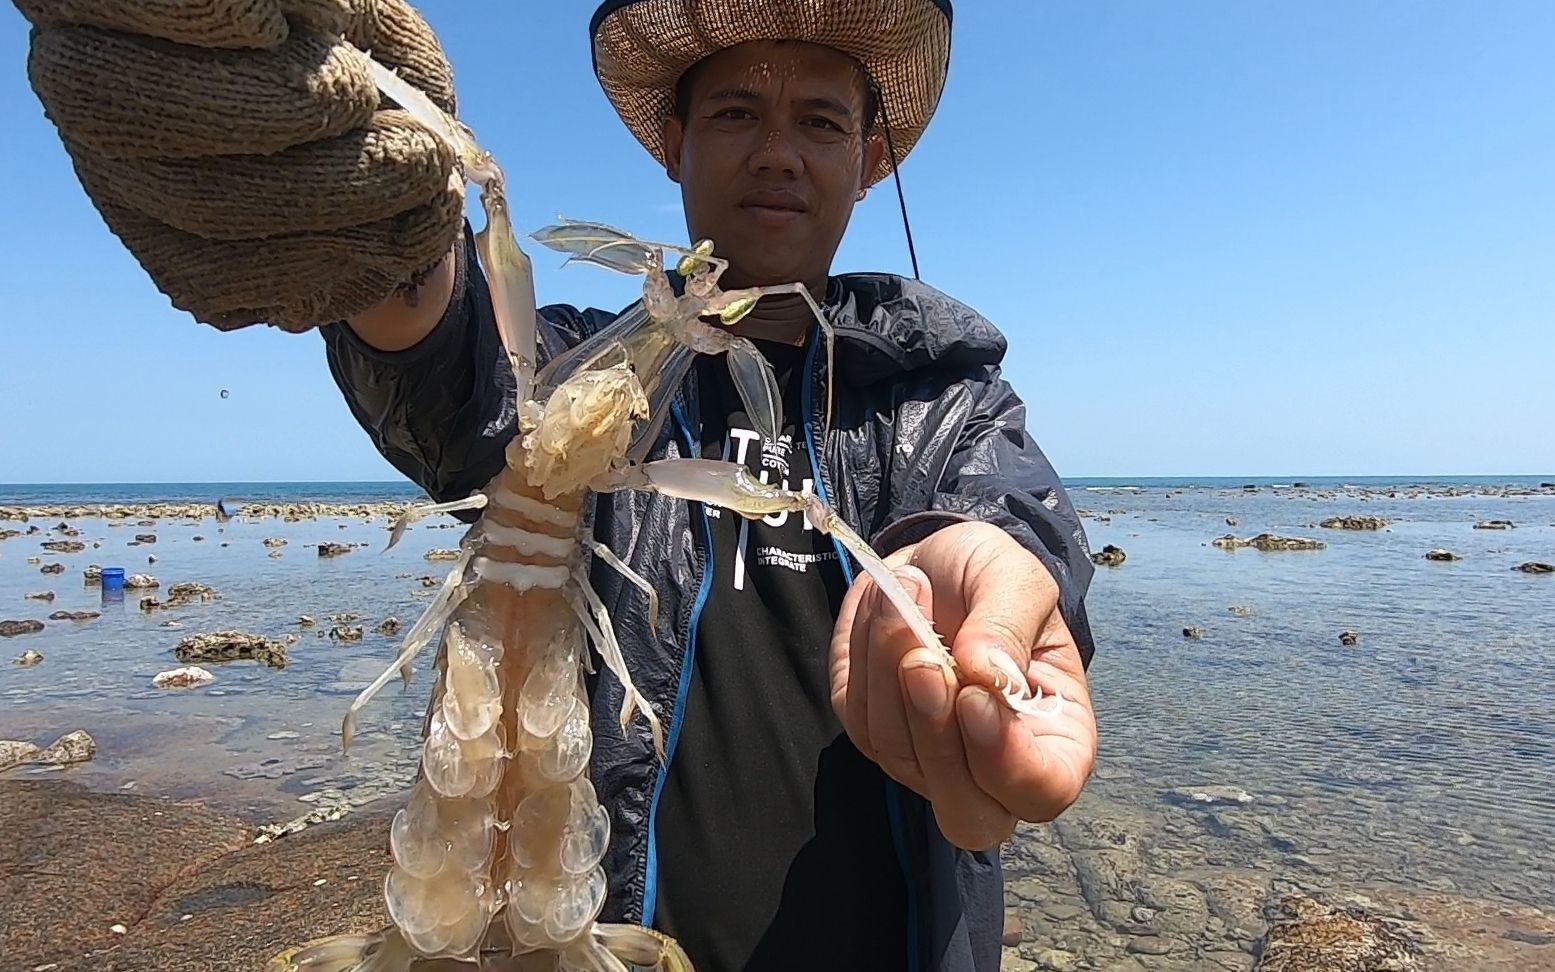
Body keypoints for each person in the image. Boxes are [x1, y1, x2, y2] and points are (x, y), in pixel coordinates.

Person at [19, 0, 1097, 969]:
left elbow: (1008, 512)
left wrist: (993, 575)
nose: (776, 152)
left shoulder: (944, 401)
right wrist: (376, 223)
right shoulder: (565, 360)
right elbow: (441, 352)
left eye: (819, 121)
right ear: (672, 142)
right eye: (735, 113)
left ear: (870, 159)